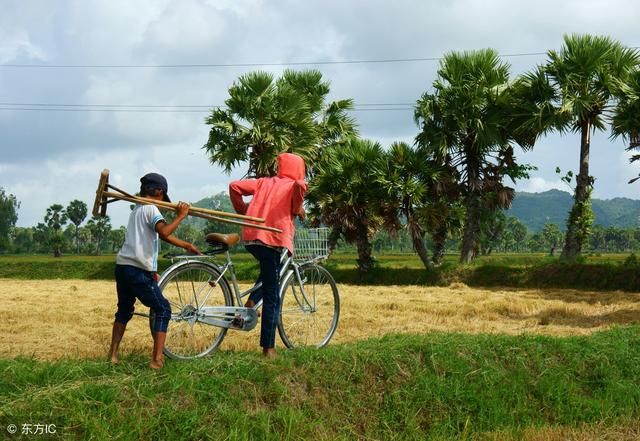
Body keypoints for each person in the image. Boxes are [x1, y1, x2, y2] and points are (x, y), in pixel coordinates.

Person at [108, 172, 200, 369]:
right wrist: (181, 216)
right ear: (158, 191)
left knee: (124, 309)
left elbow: (161, 235)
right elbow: (165, 231)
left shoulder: (138, 209)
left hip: (123, 266)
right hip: (137, 270)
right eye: (162, 196)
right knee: (163, 309)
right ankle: (157, 361)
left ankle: (113, 355)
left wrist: (185, 245)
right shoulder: (151, 209)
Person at [229, 153, 307, 358]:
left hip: (251, 237)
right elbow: (299, 189)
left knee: (270, 272)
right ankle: (268, 348)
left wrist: (244, 211)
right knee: (273, 296)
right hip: (272, 240)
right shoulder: (294, 185)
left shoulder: (264, 182)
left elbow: (234, 186)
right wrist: (299, 208)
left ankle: (252, 303)